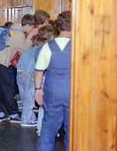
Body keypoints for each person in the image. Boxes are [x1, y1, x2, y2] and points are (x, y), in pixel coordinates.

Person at [35, 11, 71, 151]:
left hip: (52, 92)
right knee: (72, 131)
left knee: (48, 130)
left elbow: (39, 71)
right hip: (72, 93)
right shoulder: (79, 47)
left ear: (57, 27)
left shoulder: (47, 46)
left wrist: (38, 90)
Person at [0, 23, 25, 123]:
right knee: (7, 88)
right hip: (0, 63)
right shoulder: (20, 35)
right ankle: (13, 114)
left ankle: (0, 114)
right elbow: (23, 51)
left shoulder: (8, 32)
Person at [17, 25, 54, 127]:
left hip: (21, 74)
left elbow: (18, 64)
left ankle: (30, 117)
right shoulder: (41, 50)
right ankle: (26, 120)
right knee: (30, 98)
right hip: (30, 75)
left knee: (25, 97)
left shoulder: (26, 51)